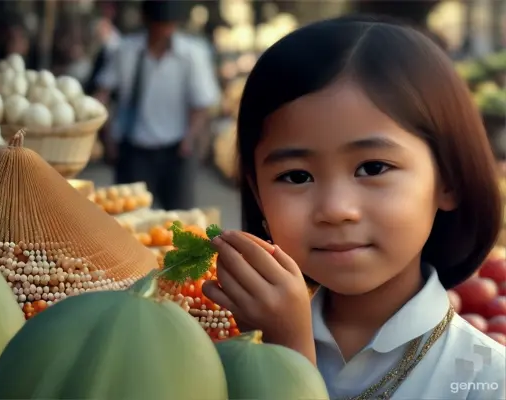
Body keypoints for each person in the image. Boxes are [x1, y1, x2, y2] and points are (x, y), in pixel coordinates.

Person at [201, 15, 506, 399]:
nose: (335, 209)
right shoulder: (215, 351)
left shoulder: (487, 381)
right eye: (296, 176)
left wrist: (289, 353)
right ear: (258, 194)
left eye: (373, 168)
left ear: (449, 180)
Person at [95, 0, 220, 211]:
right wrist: (106, 138)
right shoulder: (125, 50)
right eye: (158, 25)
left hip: (176, 150)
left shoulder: (192, 54)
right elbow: (101, 96)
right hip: (133, 148)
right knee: (128, 217)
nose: (163, 31)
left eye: (168, 25)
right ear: (147, 21)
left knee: (179, 222)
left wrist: (190, 138)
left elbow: (201, 103)